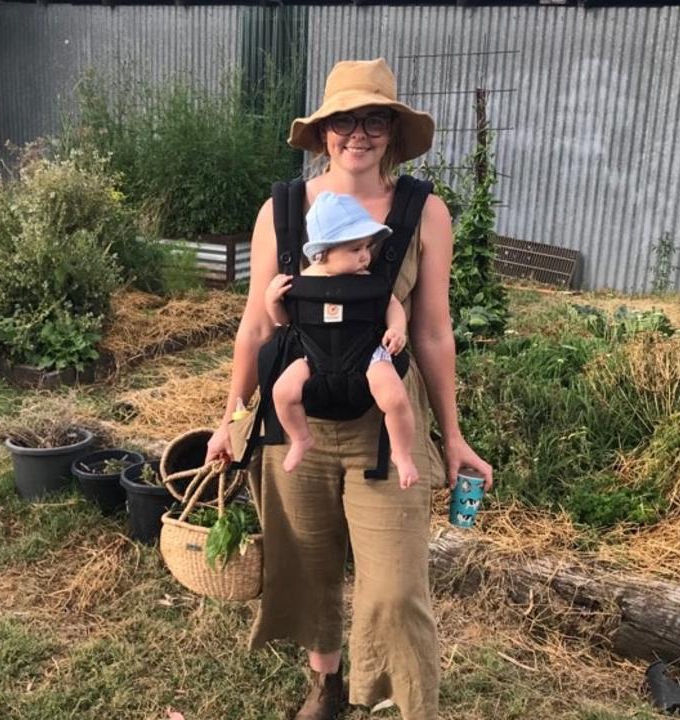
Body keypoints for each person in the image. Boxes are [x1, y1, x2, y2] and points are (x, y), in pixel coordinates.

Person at [204, 57, 494, 720]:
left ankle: (387, 698)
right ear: (321, 131)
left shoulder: (426, 213)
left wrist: (453, 437)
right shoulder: (280, 211)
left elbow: (433, 335)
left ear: (392, 131)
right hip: (293, 421)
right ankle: (325, 685)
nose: (356, 134)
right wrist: (233, 419)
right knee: (307, 567)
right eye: (343, 120)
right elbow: (254, 328)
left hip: (385, 429)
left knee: (393, 588)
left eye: (373, 119)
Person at [265, 191, 419, 489]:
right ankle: (301, 438)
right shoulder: (301, 284)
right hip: (313, 356)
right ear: (322, 253)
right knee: (282, 392)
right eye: (355, 249)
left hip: (368, 355)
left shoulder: (369, 283)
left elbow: (392, 306)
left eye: (366, 247)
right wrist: (272, 299)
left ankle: (402, 454)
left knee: (395, 397)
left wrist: (396, 330)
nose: (365, 256)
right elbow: (285, 322)